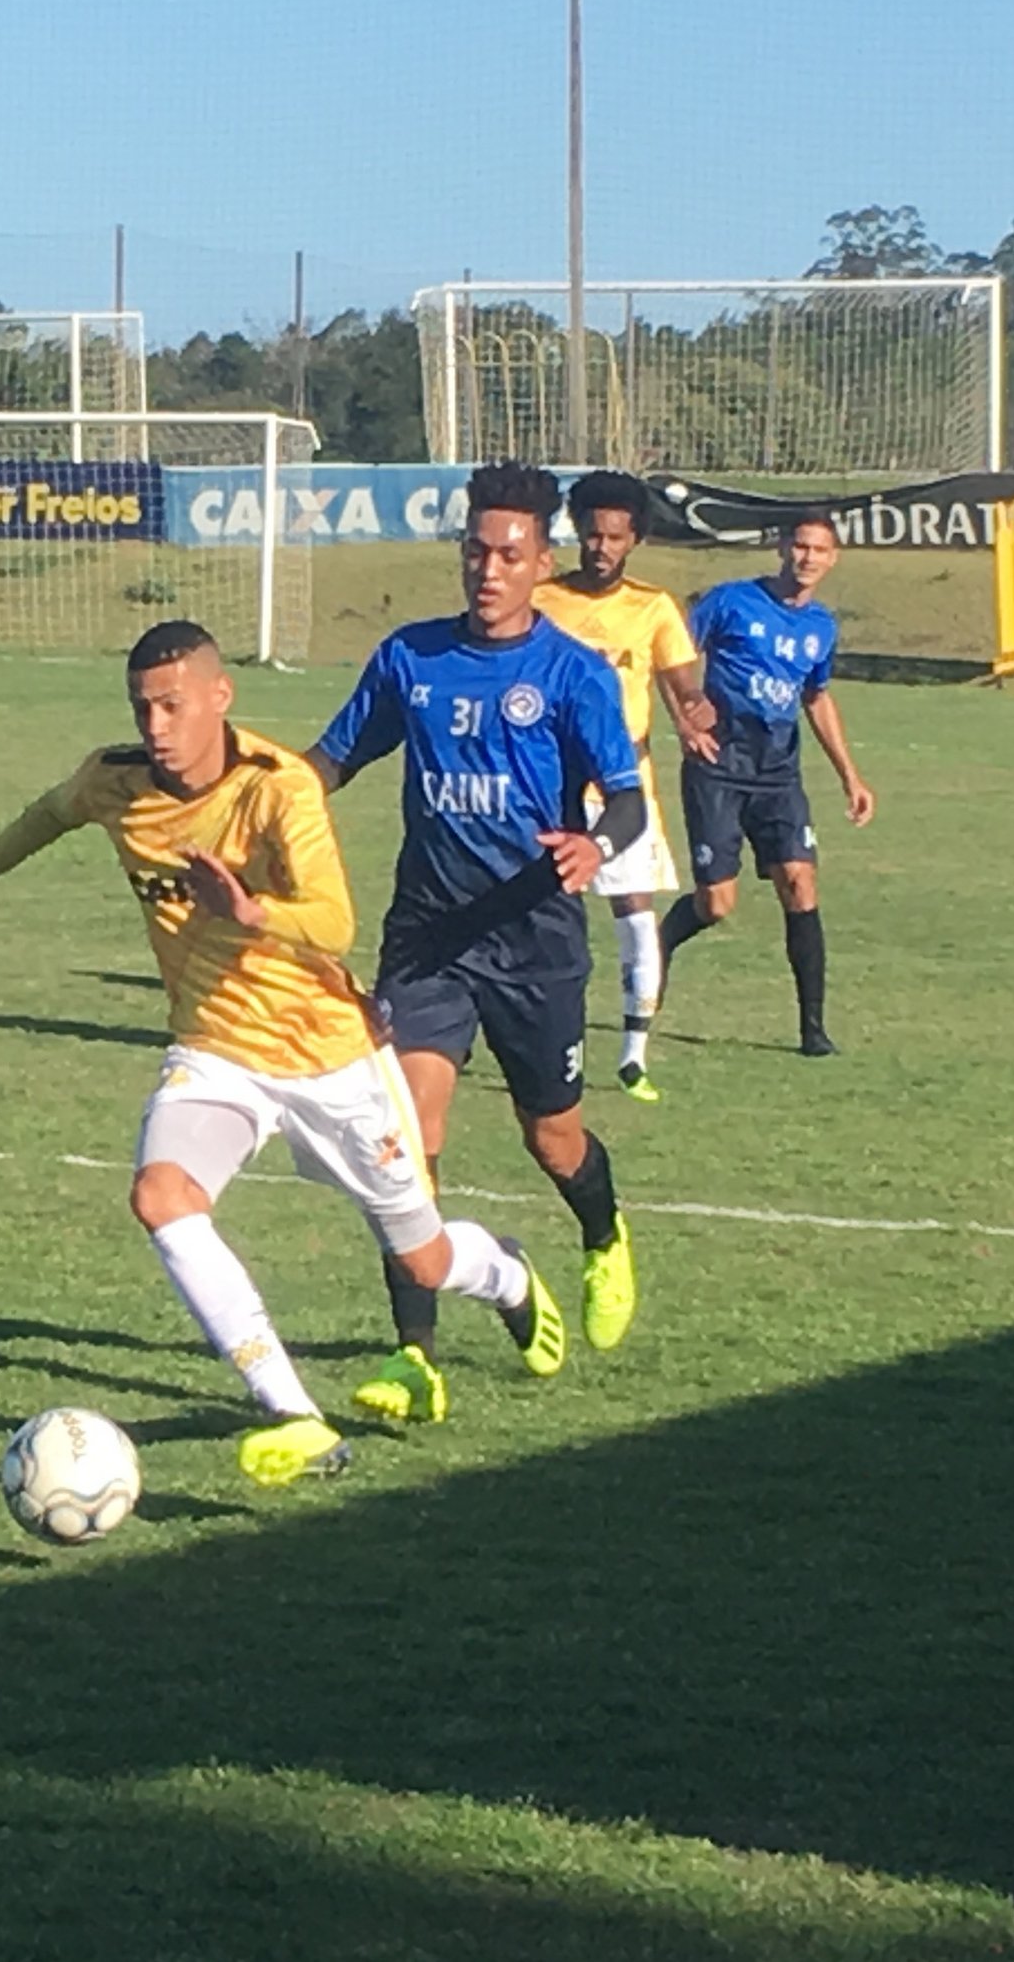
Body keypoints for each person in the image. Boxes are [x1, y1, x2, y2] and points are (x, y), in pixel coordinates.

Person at [0, 619, 556, 1488]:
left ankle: (504, 1276)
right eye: (142, 706)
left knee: (424, 1258)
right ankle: (293, 1413)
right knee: (161, 1196)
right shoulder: (114, 780)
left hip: (327, 1055)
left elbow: (337, 925)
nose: (157, 726)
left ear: (218, 697)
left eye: (172, 705)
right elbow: (47, 814)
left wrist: (254, 913)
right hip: (215, 1049)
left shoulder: (280, 789)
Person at [310, 460, 648, 1408]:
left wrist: (594, 844)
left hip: (535, 937)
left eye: (509, 554)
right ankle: (412, 1357)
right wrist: (263, 800)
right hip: (429, 938)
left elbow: (622, 800)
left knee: (554, 1139)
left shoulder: (572, 674)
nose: (487, 569)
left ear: (544, 562)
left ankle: (601, 1236)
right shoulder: (409, 658)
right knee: (406, 1146)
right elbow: (331, 760)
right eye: (475, 550)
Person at [660, 514, 877, 1055]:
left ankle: (813, 1031)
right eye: (799, 545)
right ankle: (661, 941)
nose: (807, 557)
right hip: (719, 764)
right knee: (717, 905)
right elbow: (673, 656)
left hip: (778, 772)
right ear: (783, 548)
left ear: (833, 559)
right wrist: (685, 718)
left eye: (818, 549)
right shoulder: (732, 601)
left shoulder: (822, 627)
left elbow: (816, 698)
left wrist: (850, 776)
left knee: (800, 885)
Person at [532, 468, 715, 1102]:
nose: (601, 548)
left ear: (633, 539)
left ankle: (634, 1054)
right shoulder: (543, 600)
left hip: (621, 783)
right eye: (592, 535)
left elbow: (683, 680)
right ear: (578, 534)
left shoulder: (653, 606)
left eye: (614, 537)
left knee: (635, 913)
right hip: (546, 778)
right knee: (529, 911)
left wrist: (695, 708)